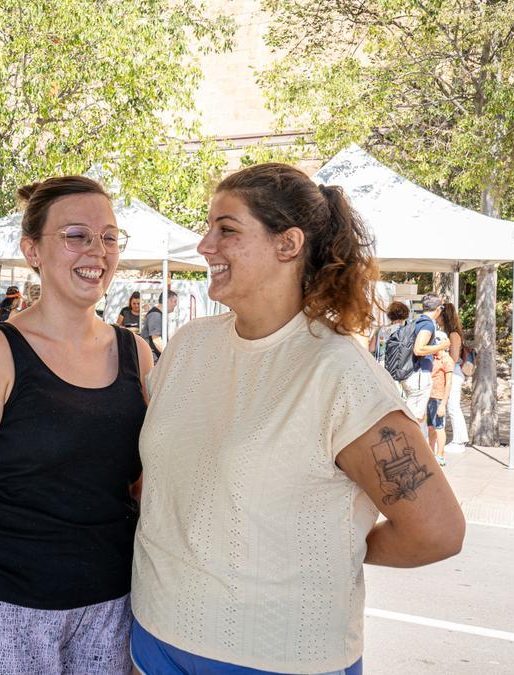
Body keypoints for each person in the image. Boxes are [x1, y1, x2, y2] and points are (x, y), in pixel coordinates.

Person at [131, 163, 464, 675]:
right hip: (155, 634)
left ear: (288, 244)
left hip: (276, 656)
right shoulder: (188, 346)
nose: (205, 245)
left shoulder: (340, 373)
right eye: (208, 228)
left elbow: (436, 531)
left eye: (226, 229)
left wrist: (333, 548)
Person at [0, 176, 152, 675]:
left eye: (109, 237)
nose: (97, 251)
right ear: (32, 251)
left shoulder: (135, 353)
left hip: (112, 611)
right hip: (7, 614)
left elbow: (141, 491)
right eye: (76, 236)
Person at [403, 292, 450, 431]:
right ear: (438, 309)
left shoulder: (417, 321)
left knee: (418, 417)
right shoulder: (427, 325)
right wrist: (441, 346)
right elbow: (419, 349)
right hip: (420, 375)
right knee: (415, 419)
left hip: (413, 374)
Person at [439, 301, 471, 450]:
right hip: (452, 372)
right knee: (452, 406)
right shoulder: (451, 334)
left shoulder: (453, 335)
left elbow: (453, 357)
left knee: (453, 407)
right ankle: (459, 439)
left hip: (454, 372)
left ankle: (459, 440)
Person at [426, 334, 455, 466]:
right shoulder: (432, 358)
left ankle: (440, 455)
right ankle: (431, 453)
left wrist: (443, 404)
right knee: (431, 427)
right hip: (429, 396)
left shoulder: (447, 360)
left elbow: (448, 383)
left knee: (439, 427)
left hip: (438, 397)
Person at [139, 289, 177, 362]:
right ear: (167, 301)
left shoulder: (159, 314)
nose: (175, 304)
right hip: (153, 359)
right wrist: (169, 356)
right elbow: (156, 340)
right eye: (174, 301)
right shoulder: (155, 315)